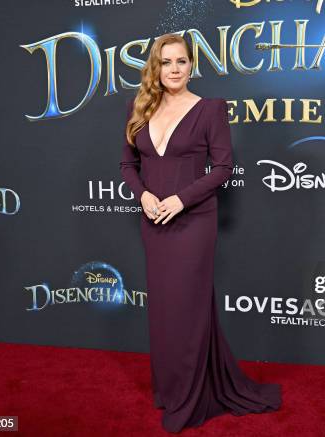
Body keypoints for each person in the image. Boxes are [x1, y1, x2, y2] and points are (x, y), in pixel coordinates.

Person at [119, 33, 282, 433]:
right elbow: (127, 165)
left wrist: (179, 200)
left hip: (193, 223)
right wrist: (143, 197)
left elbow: (223, 168)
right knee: (163, 312)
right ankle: (170, 390)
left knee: (187, 311)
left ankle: (190, 401)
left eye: (181, 61)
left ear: (192, 65)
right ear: (155, 68)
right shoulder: (141, 107)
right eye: (166, 62)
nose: (174, 69)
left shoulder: (210, 109)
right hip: (153, 222)